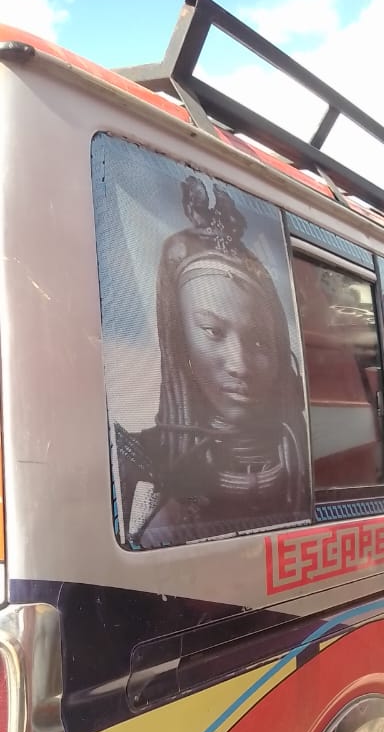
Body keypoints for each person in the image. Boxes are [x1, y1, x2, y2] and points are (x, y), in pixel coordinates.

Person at [115, 175, 307, 547]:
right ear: (180, 341)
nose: (240, 365)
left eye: (259, 341)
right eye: (213, 332)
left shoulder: (300, 459)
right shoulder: (139, 465)